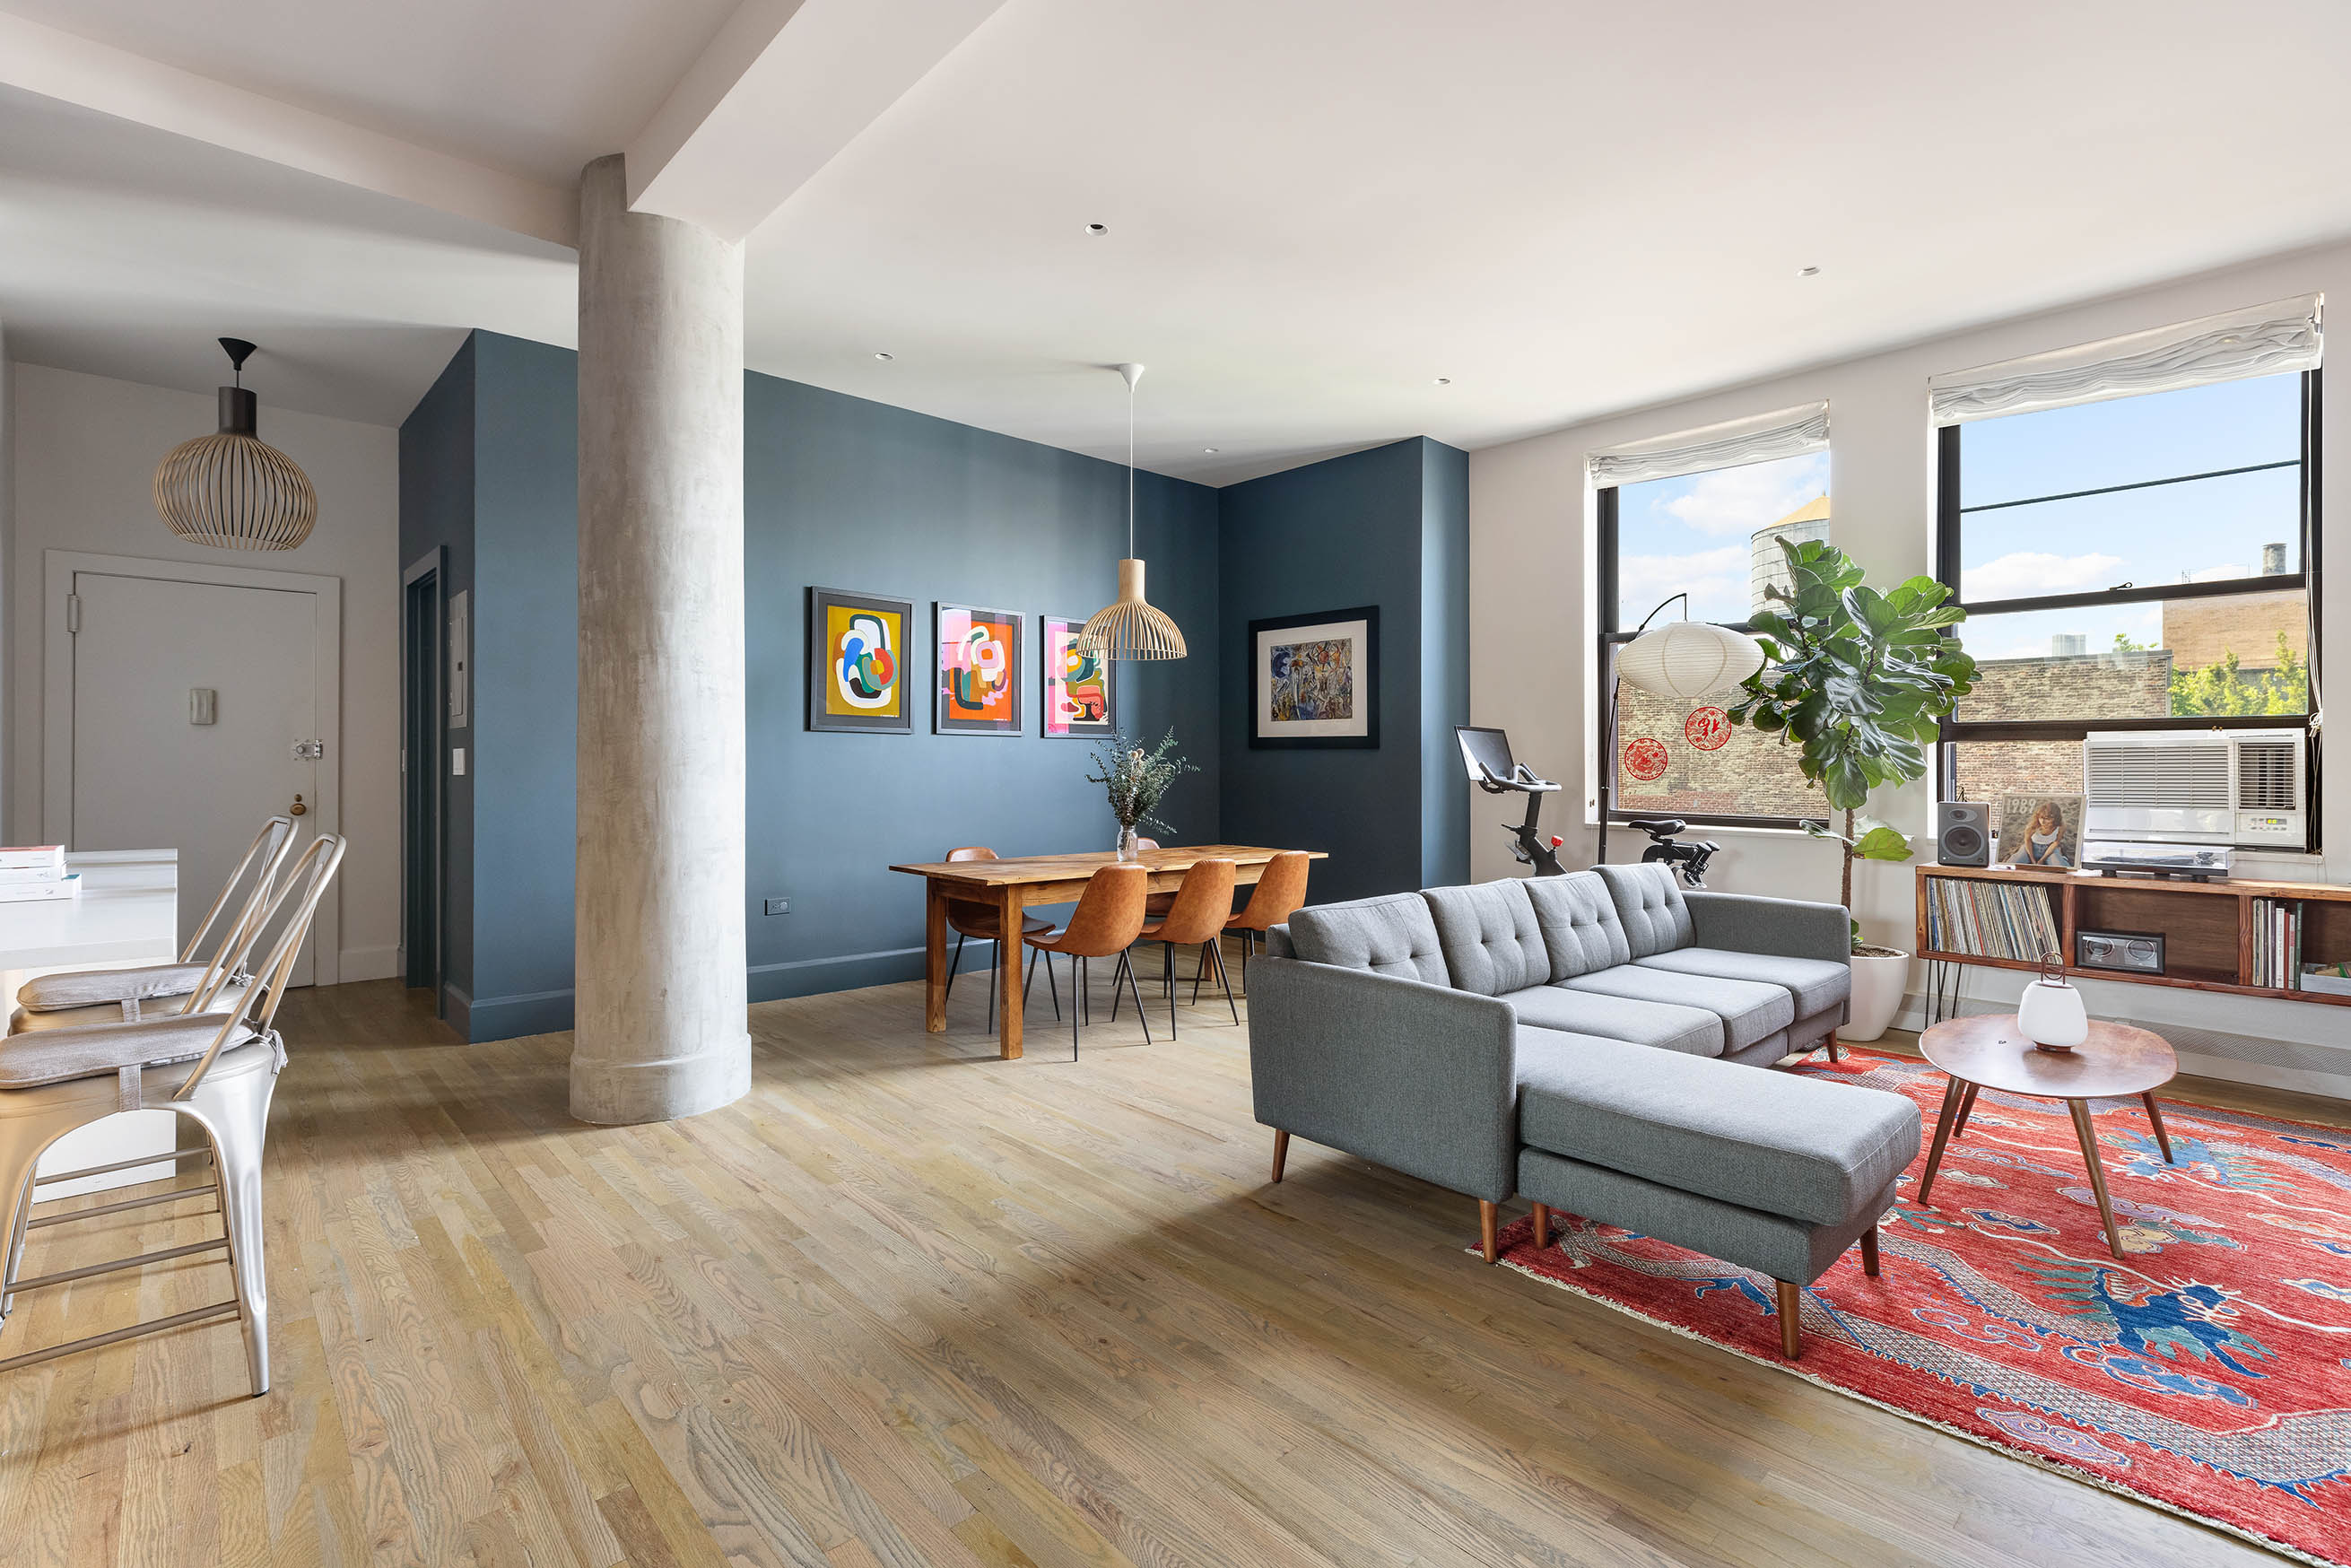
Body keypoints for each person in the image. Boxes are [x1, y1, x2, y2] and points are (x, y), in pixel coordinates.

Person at [2017, 798, 2072, 867]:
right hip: (2031, 848)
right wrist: (2032, 860)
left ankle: (2062, 857)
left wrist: (2042, 860)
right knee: (2014, 862)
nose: (2042, 821)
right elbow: (2027, 841)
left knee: (2060, 867)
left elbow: (2056, 842)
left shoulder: (2061, 826)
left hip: (2049, 849)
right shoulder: (2032, 826)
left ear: (2055, 818)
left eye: (2047, 819)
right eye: (2040, 818)